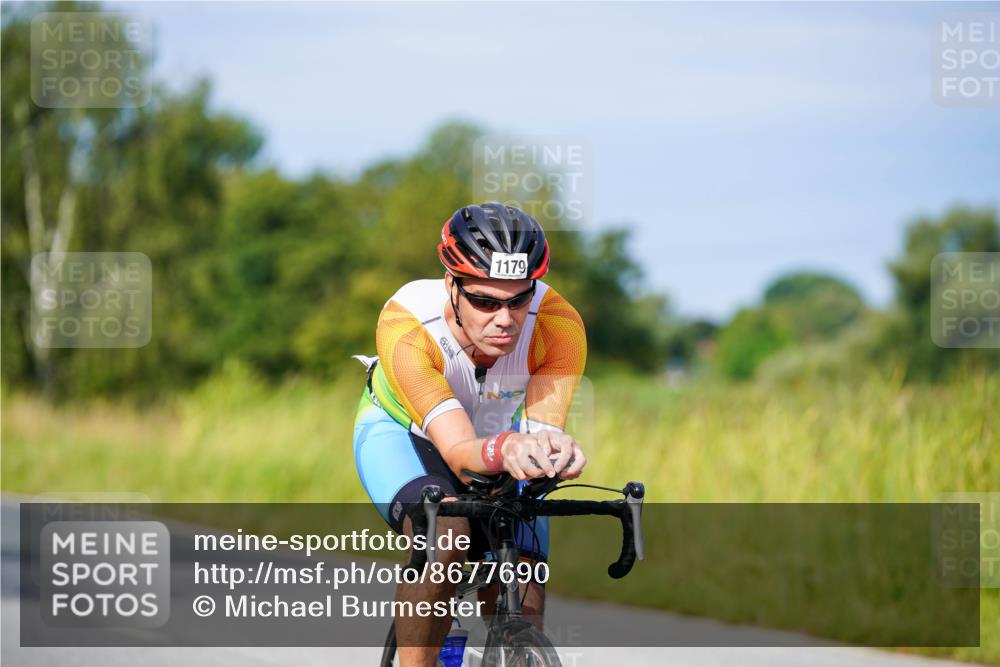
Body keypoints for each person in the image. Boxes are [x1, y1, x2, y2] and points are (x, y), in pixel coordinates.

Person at [353, 202, 588, 667]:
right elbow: (460, 451)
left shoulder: (561, 327)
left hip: (499, 437)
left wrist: (554, 449)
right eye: (484, 301)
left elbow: (540, 430)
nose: (504, 318)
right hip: (406, 436)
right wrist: (510, 446)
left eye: (519, 299)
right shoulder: (407, 326)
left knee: (523, 571)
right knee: (449, 535)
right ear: (451, 286)